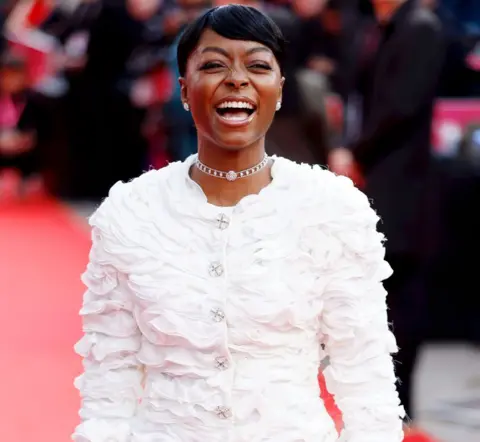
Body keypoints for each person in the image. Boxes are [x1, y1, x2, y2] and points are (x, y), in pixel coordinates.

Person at [73, 5, 404, 441]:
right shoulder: (132, 212)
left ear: (279, 89)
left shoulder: (333, 209)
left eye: (257, 65)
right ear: (184, 90)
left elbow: (364, 370)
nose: (236, 79)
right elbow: (108, 373)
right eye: (213, 65)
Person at [329, 0, 445, 421]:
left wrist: (354, 151)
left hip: (402, 185)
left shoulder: (420, 27)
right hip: (369, 177)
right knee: (368, 301)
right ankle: (372, 402)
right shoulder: (370, 26)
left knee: (401, 299)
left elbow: (402, 104)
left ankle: (400, 407)